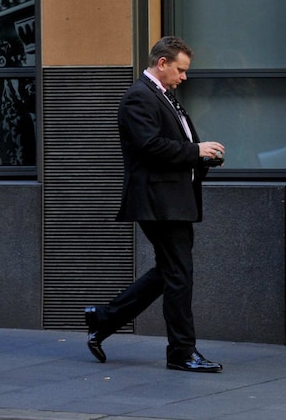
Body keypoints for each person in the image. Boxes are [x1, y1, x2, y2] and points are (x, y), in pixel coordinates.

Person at [84, 36, 225, 372]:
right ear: (162, 63)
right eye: (180, 69)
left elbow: (172, 144)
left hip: (173, 199)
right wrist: (196, 151)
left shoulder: (162, 96)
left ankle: (103, 319)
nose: (184, 76)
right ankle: (181, 352)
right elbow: (149, 146)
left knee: (169, 272)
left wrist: (203, 158)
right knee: (180, 275)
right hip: (157, 201)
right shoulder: (138, 97)